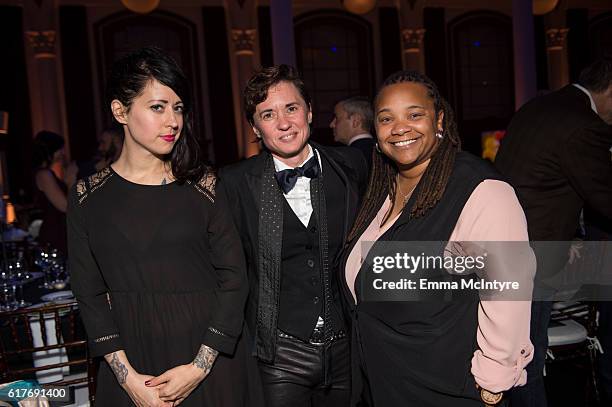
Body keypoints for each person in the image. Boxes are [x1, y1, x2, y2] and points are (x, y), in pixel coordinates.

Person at [68, 47, 252, 406]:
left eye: (178, 107)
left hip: (210, 363)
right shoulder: (86, 196)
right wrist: (129, 380)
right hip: (131, 363)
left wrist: (198, 368)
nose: (173, 121)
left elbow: (235, 279)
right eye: (158, 107)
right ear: (120, 110)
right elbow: (88, 294)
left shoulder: (206, 187)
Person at [341, 70, 535, 406]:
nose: (400, 128)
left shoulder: (480, 189)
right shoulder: (383, 189)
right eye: (387, 119)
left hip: (444, 386)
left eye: (414, 115)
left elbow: (508, 287)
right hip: (385, 382)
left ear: (439, 119)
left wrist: (494, 379)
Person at [219, 64, 367, 407]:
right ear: (255, 127)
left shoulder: (351, 167)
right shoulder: (234, 184)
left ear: (310, 111)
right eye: (268, 114)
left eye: (291, 108)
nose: (284, 122)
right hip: (279, 356)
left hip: (346, 347)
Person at [495, 57, 612, 407]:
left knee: (513, 357)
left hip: (508, 246)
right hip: (534, 257)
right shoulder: (582, 124)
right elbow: (605, 197)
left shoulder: (540, 106)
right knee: (526, 359)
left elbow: (543, 184)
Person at [32, 130, 72, 254]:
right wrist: (71, 181)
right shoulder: (44, 174)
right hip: (55, 233)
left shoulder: (47, 173)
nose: (63, 153)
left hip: (58, 230)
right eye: (60, 149)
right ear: (51, 151)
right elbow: (64, 206)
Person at [330, 96, 375, 167]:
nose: (331, 124)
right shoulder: (382, 152)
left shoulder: (347, 158)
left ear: (355, 121)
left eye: (337, 118)